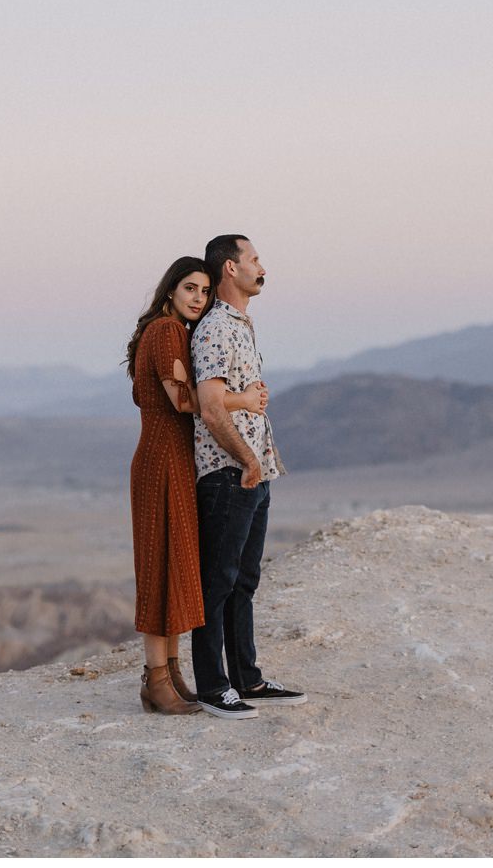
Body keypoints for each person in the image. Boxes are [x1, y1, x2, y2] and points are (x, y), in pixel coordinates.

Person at [125, 255, 268, 715]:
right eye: (189, 289)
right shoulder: (166, 331)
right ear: (170, 290)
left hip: (169, 460)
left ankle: (170, 676)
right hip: (165, 459)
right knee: (160, 568)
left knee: (171, 566)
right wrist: (243, 399)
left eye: (204, 292)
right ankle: (156, 680)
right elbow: (183, 399)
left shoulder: (168, 332)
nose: (198, 299)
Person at [188, 234, 306, 719]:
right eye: (255, 259)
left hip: (255, 472)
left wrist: (261, 463)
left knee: (245, 580)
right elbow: (212, 408)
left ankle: (247, 679)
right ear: (231, 269)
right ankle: (214, 688)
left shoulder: (241, 324)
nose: (263, 267)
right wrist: (247, 460)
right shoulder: (216, 327)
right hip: (228, 473)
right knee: (218, 581)